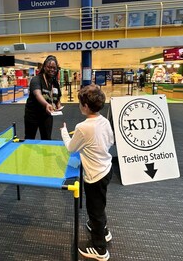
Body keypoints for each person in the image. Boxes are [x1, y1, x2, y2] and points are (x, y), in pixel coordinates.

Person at [60, 85, 114, 261]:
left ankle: (100, 249)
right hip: (106, 168)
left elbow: (70, 148)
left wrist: (63, 132)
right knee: (100, 204)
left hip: (94, 176)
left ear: (85, 106)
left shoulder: (82, 127)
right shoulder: (104, 121)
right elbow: (110, 141)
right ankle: (103, 231)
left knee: (95, 209)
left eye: (80, 102)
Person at [24, 55, 62, 140]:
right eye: (49, 67)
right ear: (44, 67)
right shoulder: (36, 79)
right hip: (32, 114)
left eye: (54, 68)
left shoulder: (54, 82)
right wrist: (46, 104)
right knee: (29, 138)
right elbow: (38, 94)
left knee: (47, 138)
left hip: (47, 115)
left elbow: (57, 96)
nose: (52, 69)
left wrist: (58, 104)